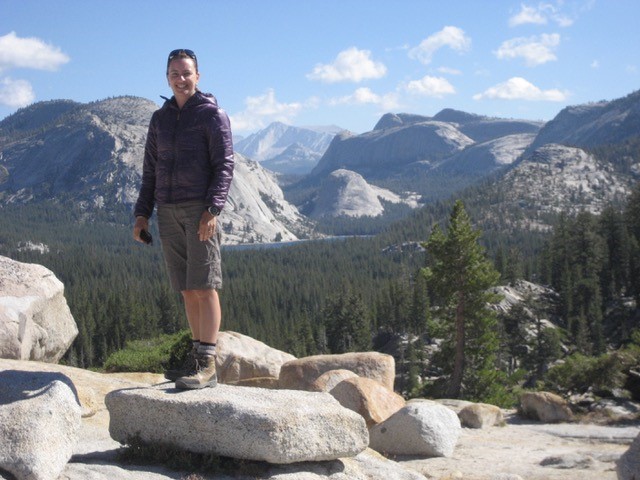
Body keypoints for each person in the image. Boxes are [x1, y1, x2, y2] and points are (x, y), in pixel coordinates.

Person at [133, 48, 234, 389]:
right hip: (167, 210)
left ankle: (208, 363)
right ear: (167, 77)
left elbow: (224, 165)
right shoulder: (160, 119)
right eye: (174, 73)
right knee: (187, 289)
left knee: (205, 286)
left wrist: (212, 209)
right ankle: (196, 357)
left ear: (198, 76)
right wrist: (142, 214)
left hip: (198, 210)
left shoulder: (211, 115)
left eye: (186, 72)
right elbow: (150, 170)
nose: (180, 79)